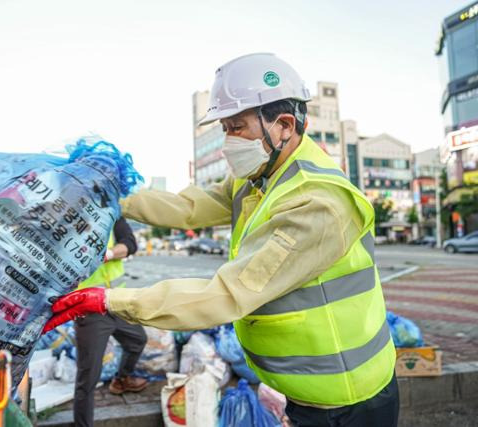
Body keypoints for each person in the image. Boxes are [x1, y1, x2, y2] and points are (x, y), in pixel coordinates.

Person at [44, 53, 399, 427]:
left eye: (237, 127)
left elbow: (229, 294)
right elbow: (189, 207)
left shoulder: (317, 204)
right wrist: (112, 197)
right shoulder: (262, 174)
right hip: (309, 396)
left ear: (283, 125)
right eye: (225, 128)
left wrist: (111, 300)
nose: (228, 141)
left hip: (349, 402)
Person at [72, 216, 148, 427]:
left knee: (138, 340)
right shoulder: (67, 221)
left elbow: (130, 244)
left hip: (118, 300)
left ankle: (122, 379)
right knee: (88, 376)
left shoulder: (112, 214)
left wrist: (110, 253)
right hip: (89, 309)